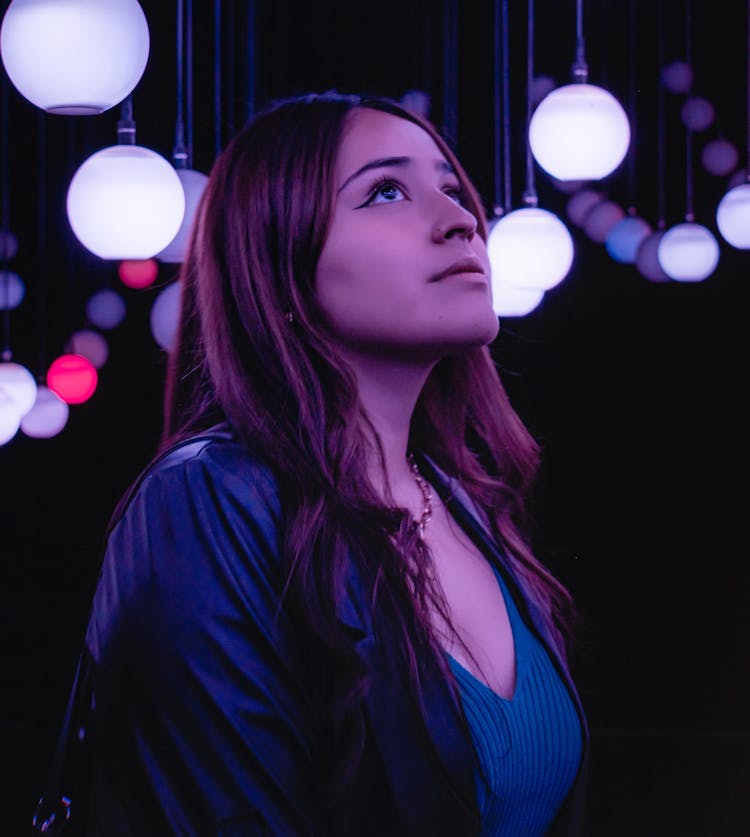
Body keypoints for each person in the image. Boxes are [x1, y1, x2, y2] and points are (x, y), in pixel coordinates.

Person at [49, 91, 588, 835]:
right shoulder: (207, 500)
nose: (463, 218)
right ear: (284, 267)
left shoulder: (466, 503)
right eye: (386, 190)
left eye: (454, 187)